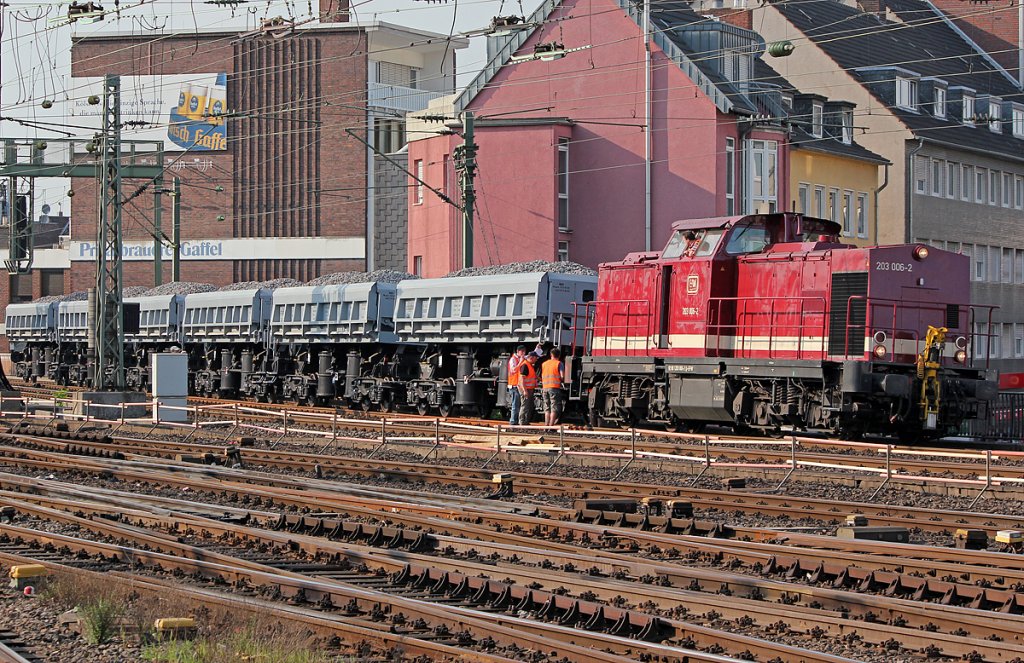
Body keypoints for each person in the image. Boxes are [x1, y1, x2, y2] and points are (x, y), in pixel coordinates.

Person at [541, 347, 565, 425]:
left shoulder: (544, 364)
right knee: (554, 407)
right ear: (559, 355)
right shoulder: (559, 363)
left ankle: (546, 425)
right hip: (554, 387)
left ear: (551, 354)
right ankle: (551, 426)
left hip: (545, 387)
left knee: (547, 407)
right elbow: (562, 376)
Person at [517, 350, 541, 425]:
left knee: (528, 406)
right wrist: (525, 391)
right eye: (536, 358)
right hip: (525, 389)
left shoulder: (529, 365)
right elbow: (522, 379)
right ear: (531, 357)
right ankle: (522, 422)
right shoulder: (525, 365)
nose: (536, 359)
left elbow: (534, 376)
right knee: (525, 405)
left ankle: (525, 422)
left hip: (529, 389)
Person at [506, 345, 527, 425]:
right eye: (522, 352)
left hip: (518, 385)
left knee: (518, 404)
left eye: (524, 352)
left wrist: (537, 349)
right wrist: (521, 362)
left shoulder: (519, 359)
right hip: (513, 385)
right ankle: (513, 421)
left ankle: (515, 420)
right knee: (515, 404)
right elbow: (513, 370)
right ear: (518, 352)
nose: (523, 354)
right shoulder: (513, 359)